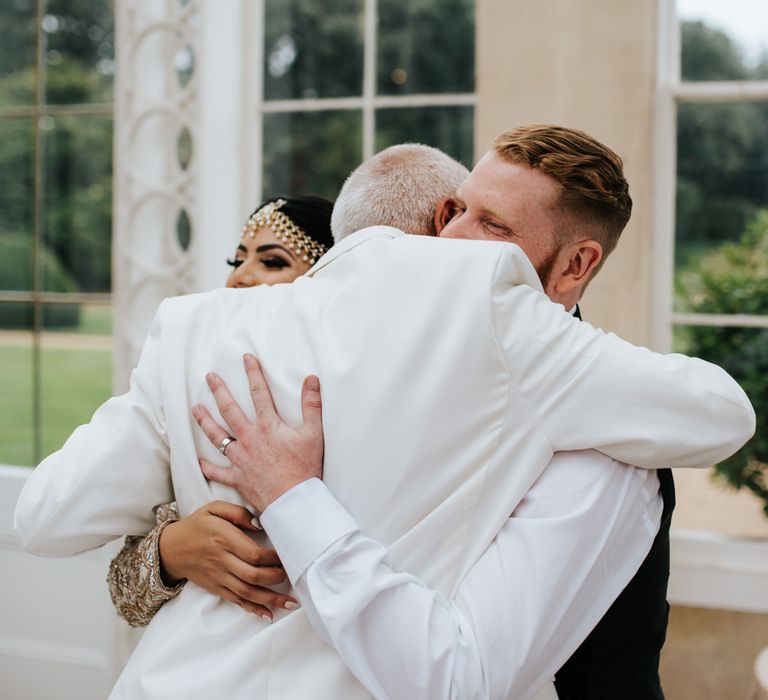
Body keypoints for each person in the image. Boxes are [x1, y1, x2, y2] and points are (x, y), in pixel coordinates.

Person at [14, 131, 754, 700]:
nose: (459, 241)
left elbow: (46, 519)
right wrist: (173, 544)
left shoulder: (192, 326)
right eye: (455, 211)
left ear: (576, 265)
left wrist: (296, 500)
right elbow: (46, 520)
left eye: (487, 225)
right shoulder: (225, 333)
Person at [107, 194, 336, 625]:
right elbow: (124, 597)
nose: (240, 279)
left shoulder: (358, 398)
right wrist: (171, 552)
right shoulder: (200, 390)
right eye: (236, 262)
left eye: (271, 262)